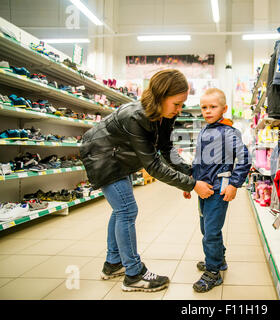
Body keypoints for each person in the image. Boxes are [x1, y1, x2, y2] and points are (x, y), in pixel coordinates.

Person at [80, 69, 214, 292]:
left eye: (182, 104)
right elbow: (153, 165)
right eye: (177, 104)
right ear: (161, 97)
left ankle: (113, 263)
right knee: (126, 210)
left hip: (118, 156)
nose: (180, 110)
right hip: (102, 156)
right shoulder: (136, 116)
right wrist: (192, 185)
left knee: (120, 210)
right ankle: (134, 274)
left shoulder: (165, 115)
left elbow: (166, 149)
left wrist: (189, 172)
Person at [183, 88, 252, 292]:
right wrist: (189, 182)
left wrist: (234, 184)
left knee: (211, 232)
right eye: (204, 107)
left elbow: (244, 159)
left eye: (213, 107)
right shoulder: (205, 130)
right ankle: (218, 259)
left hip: (219, 189)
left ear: (224, 108)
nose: (208, 111)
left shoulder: (228, 132)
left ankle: (213, 272)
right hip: (203, 189)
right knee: (206, 228)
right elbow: (199, 161)